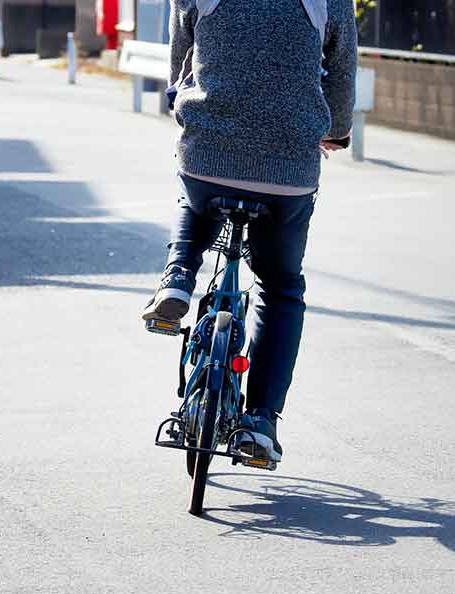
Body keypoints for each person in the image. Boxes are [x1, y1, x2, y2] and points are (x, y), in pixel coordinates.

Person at [142, 0, 358, 463]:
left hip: (209, 152)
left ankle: (177, 277)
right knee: (280, 289)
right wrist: (336, 130)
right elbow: (340, 71)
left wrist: (181, 104)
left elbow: (182, 56)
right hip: (288, 172)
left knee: (195, 189)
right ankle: (259, 421)